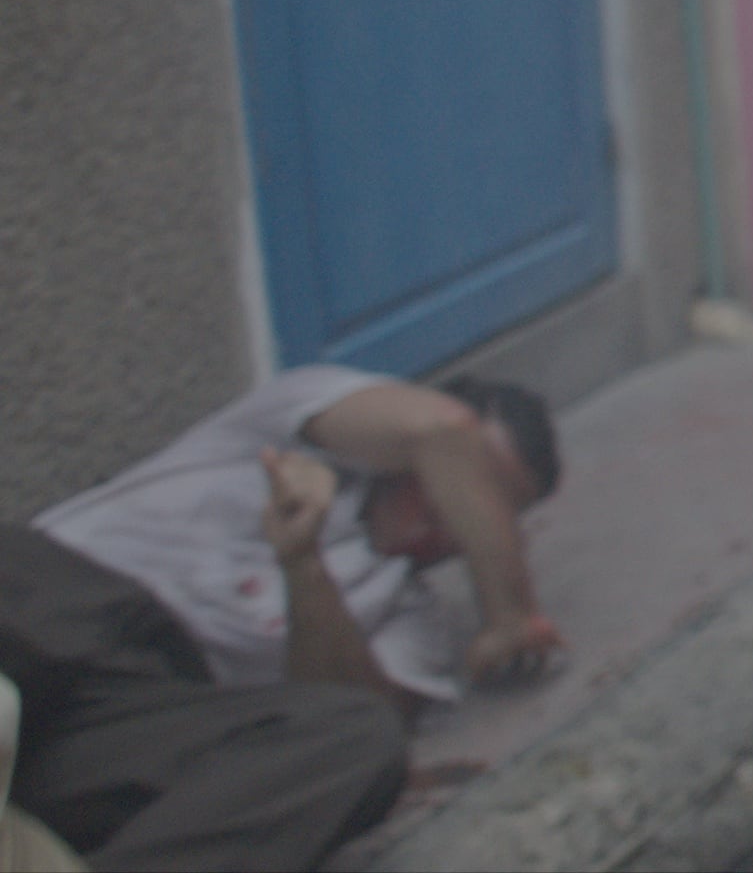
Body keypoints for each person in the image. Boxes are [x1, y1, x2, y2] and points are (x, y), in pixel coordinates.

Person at [4, 370, 565, 870]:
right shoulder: (293, 420)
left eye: (496, 518)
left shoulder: (413, 623)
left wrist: (303, 561)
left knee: (358, 740)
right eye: (469, 494)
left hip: (132, 717)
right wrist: (510, 613)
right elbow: (444, 428)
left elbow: (339, 707)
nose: (446, 530)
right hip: (56, 597)